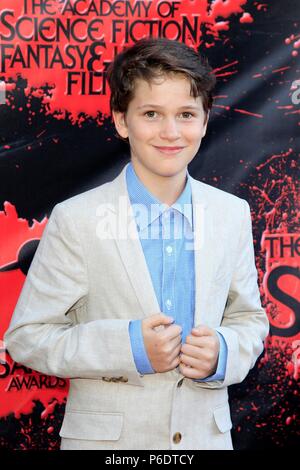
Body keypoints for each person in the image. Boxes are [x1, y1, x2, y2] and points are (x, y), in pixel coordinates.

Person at [4, 37, 269, 450]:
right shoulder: (77, 218)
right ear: (122, 121)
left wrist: (222, 352)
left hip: (205, 439)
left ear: (204, 120)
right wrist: (127, 346)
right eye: (151, 114)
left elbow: (249, 320)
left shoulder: (230, 214)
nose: (170, 132)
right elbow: (28, 337)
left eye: (185, 114)